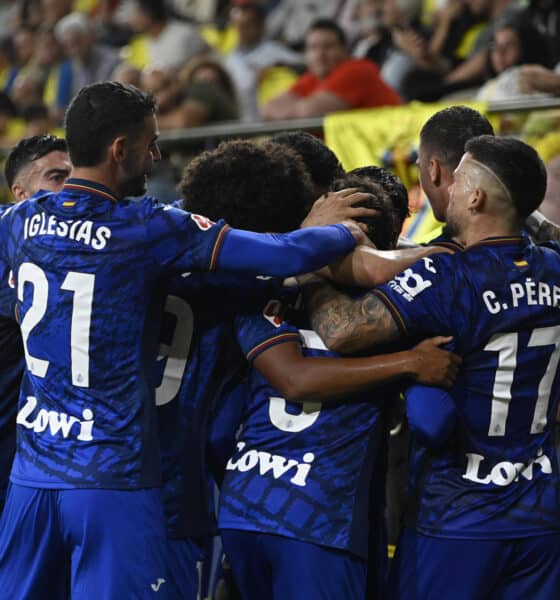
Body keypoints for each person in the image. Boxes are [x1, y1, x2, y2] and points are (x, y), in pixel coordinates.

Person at [0, 80, 369, 599]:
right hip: (114, 479)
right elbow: (281, 256)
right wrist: (335, 231)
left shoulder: (17, 223)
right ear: (119, 150)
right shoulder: (148, 229)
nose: (156, 156)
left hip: (31, 477)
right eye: (150, 143)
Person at [301, 135, 560, 599]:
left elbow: (344, 331)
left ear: (476, 197)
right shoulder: (555, 269)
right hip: (542, 515)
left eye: (458, 180)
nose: (449, 191)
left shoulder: (449, 276)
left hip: (458, 514)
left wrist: (309, 273)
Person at [218, 171, 460, 600]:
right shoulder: (402, 314)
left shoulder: (265, 287)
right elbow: (431, 419)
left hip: (244, 506)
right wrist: (410, 365)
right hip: (319, 519)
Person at [0, 134, 70, 514]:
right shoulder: (13, 248)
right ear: (20, 194)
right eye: (57, 177)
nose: (72, 188)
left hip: (34, 461)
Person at [261, 18, 401, 121]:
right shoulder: (313, 77)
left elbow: (309, 113)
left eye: (328, 46)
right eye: (313, 47)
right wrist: (299, 108)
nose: (320, 54)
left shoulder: (357, 70)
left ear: (344, 50)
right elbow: (267, 111)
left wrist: (296, 108)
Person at [225, 0, 302, 121]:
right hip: (240, 122)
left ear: (261, 25)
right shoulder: (229, 59)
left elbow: (304, 65)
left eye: (248, 24)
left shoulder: (274, 52)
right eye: (238, 25)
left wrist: (275, 68)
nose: (242, 30)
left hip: (270, 121)